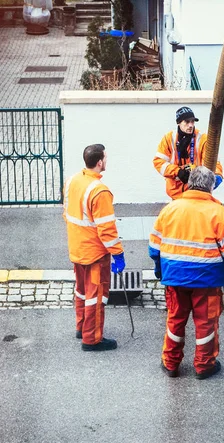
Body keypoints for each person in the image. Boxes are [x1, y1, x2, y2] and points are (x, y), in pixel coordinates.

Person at [149, 166, 224, 379]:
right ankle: (204, 366)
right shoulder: (219, 213)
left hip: (174, 278)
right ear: (210, 187)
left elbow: (154, 246)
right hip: (207, 281)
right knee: (206, 324)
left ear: (189, 183)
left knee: (175, 320)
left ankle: (171, 363)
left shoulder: (170, 209)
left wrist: (158, 266)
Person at [63, 143, 126, 352]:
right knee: (96, 296)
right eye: (106, 158)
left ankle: (81, 327)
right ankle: (92, 339)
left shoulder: (72, 181)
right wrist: (118, 254)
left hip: (77, 248)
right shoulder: (100, 191)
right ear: (99, 162)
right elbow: (106, 229)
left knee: (81, 292)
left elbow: (67, 213)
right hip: (95, 254)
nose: (106, 161)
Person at [153, 106, 224, 200]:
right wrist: (178, 172)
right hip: (175, 193)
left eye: (192, 121)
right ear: (178, 123)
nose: (190, 125)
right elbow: (158, 162)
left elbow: (214, 162)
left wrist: (217, 175)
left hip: (197, 193)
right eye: (186, 122)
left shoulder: (202, 139)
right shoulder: (169, 138)